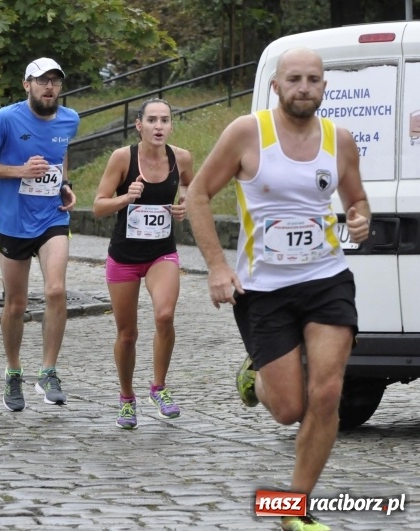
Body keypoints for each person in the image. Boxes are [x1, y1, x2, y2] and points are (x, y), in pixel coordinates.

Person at [186, 48, 370, 531]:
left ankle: (293, 509)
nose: (304, 87)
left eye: (313, 79)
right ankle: (257, 374)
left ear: (324, 86)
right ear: (276, 85)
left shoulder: (340, 140)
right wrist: (217, 267)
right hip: (263, 288)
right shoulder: (248, 134)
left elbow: (357, 199)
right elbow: (199, 194)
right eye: (294, 79)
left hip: (326, 279)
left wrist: (360, 218)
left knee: (327, 393)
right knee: (289, 409)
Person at [0, 57, 80, 412]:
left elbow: (61, 154)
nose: (49, 87)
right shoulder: (6, 118)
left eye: (55, 81)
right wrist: (20, 170)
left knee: (56, 290)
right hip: (13, 222)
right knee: (15, 304)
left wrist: (65, 184)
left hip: (52, 218)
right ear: (26, 84)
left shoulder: (69, 119)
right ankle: (13, 372)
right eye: (41, 80)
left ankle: (48, 371)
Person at [93, 99, 194, 429]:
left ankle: (159, 387)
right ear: (139, 125)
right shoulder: (123, 158)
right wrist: (126, 198)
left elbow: (191, 188)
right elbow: (98, 207)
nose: (159, 126)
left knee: (165, 315)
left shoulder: (181, 158)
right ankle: (126, 398)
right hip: (123, 257)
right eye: (152, 120)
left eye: (165, 120)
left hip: (161, 254)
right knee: (127, 334)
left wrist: (183, 205)